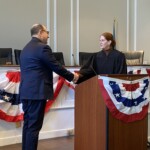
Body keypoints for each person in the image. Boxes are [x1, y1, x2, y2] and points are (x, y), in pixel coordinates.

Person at [19, 23, 79, 150]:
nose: (48, 36)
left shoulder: (25, 48)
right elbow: (56, 66)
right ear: (40, 32)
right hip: (37, 92)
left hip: (26, 92)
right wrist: (72, 77)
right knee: (34, 127)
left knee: (28, 125)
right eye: (47, 32)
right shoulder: (43, 48)